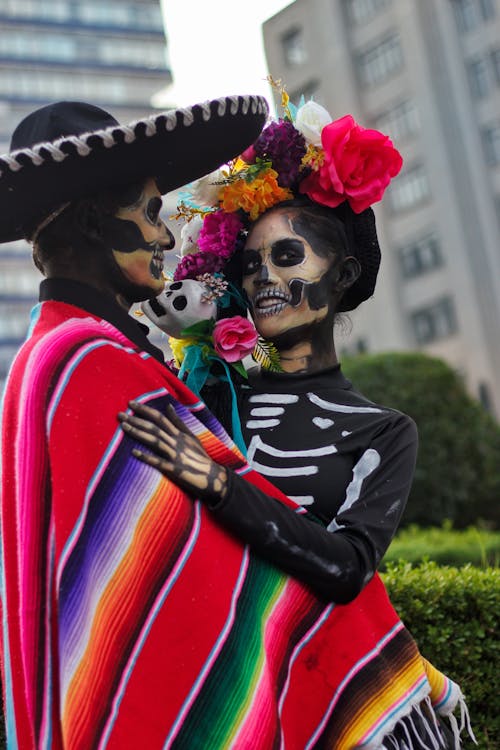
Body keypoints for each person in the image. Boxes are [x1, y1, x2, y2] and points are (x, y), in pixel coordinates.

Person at [122, 96, 475, 748]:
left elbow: (347, 570)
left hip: (329, 699)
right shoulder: (211, 402)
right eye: (251, 264)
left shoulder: (382, 431)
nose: (264, 280)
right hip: (217, 695)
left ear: (342, 275)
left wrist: (222, 485)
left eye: (287, 257)